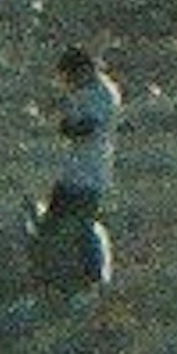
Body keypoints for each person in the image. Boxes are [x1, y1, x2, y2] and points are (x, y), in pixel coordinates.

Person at [32, 40, 120, 296]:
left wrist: (64, 124)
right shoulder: (85, 92)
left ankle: (93, 278)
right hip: (74, 173)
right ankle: (54, 276)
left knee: (80, 226)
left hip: (89, 176)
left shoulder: (102, 94)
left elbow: (85, 128)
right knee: (54, 225)